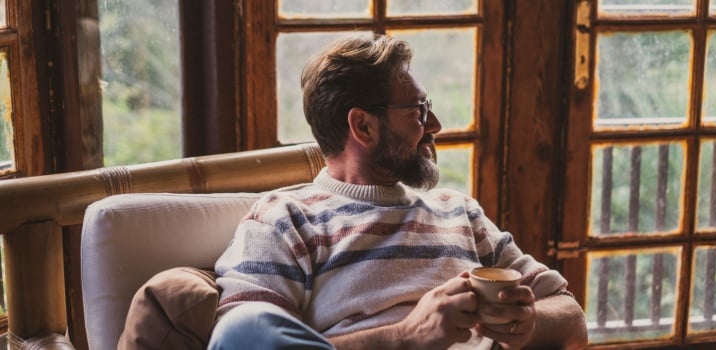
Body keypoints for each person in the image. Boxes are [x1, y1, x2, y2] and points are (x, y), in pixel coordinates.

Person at [208, 34, 588, 350]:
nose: (435, 124)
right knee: (244, 327)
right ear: (363, 126)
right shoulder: (285, 219)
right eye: (417, 111)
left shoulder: (459, 212)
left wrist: (527, 322)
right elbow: (243, 340)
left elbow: (572, 318)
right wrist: (407, 336)